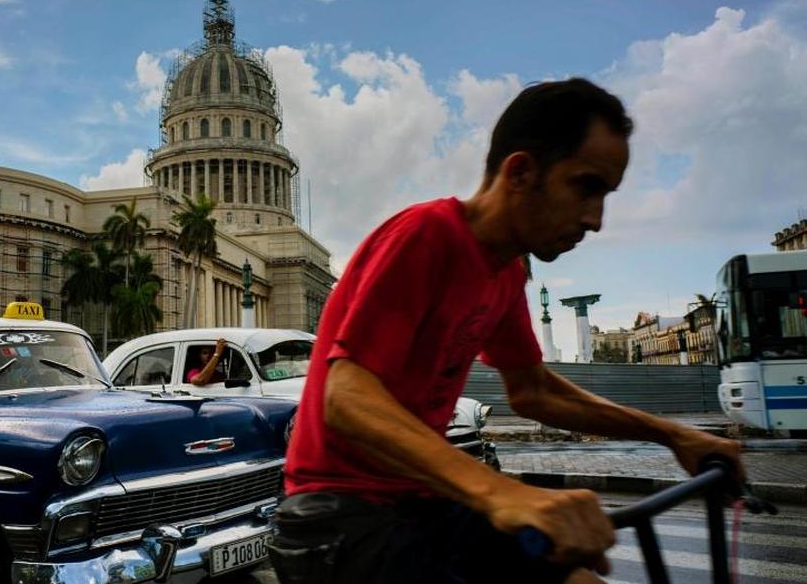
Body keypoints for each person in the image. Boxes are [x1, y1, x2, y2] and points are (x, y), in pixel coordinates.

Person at [270, 78, 742, 584]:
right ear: (520, 171)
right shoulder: (427, 235)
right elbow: (345, 398)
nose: (597, 219)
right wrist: (503, 492)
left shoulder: (505, 272)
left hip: (423, 501)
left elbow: (533, 389)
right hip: (337, 518)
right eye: (586, 186)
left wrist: (672, 435)